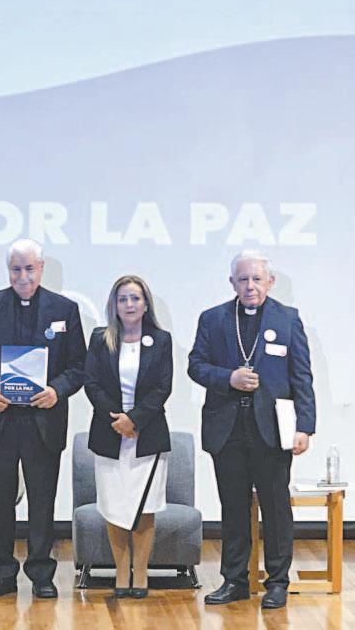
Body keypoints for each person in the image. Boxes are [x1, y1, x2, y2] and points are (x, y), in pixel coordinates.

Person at [188, 249, 316, 610]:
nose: (250, 286)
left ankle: (277, 582)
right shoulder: (213, 319)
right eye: (243, 279)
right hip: (227, 428)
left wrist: (305, 427)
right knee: (233, 508)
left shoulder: (287, 319)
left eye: (257, 279)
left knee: (275, 509)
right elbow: (195, 365)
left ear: (269, 282)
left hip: (272, 430)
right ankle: (235, 580)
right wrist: (228, 378)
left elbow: (301, 376)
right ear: (232, 283)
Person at [0, 238, 86, 598]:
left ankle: (41, 574)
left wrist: (57, 391)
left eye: (29, 268)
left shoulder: (64, 309)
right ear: (8, 270)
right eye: (16, 269)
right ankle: (2, 574)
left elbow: (78, 366)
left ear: (41, 268)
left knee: (42, 502)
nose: (23, 276)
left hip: (43, 422)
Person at [84, 275, 172, 599]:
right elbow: (91, 382)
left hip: (147, 435)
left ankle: (141, 572)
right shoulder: (100, 338)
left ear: (146, 303)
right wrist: (118, 421)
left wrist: (134, 419)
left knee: (144, 506)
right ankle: (122, 572)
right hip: (110, 434)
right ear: (114, 305)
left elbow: (163, 387)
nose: (129, 304)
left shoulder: (161, 340)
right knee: (114, 505)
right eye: (123, 299)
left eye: (135, 298)